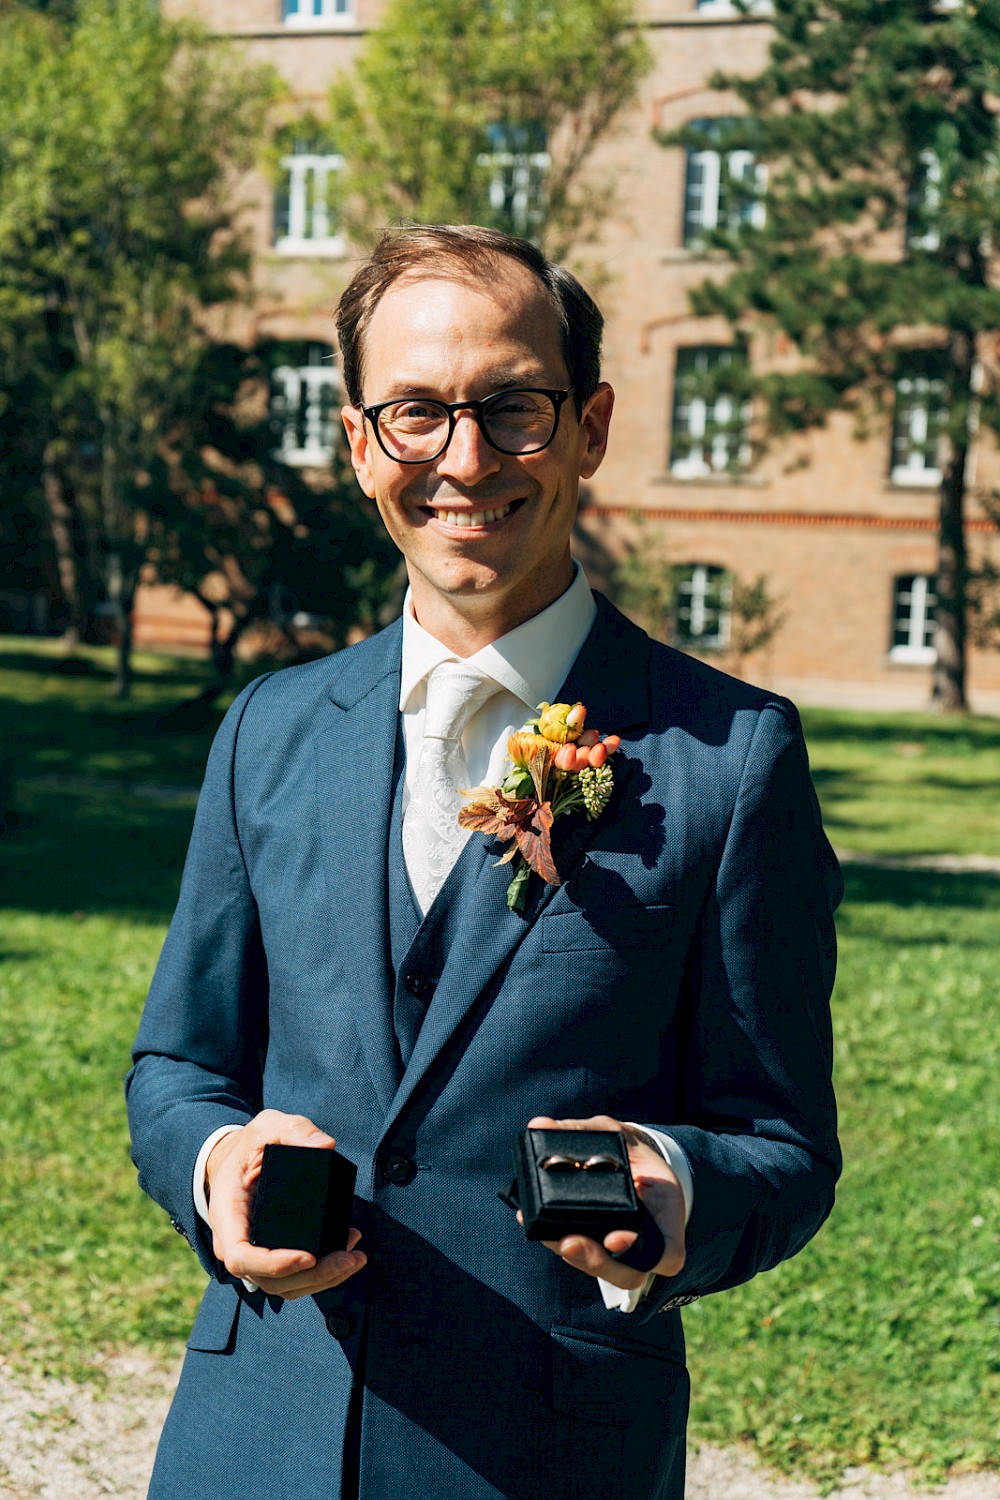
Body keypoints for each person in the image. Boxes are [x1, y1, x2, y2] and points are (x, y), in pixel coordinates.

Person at [126, 223, 842, 1500]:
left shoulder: (730, 758)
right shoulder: (268, 732)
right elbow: (180, 1063)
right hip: (255, 1438)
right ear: (359, 444)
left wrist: (668, 1187)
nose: (464, 460)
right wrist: (218, 1166)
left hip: (548, 1451)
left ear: (590, 426)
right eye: (413, 412)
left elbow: (781, 1142)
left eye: (513, 407)